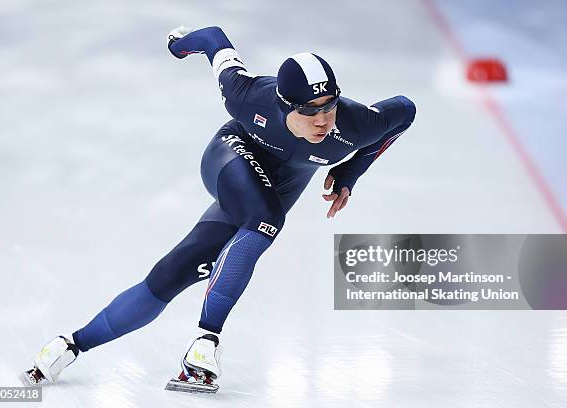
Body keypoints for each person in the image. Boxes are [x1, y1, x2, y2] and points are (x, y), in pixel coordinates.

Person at [23, 25, 416, 393]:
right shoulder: (246, 96)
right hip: (231, 159)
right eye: (309, 110)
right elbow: (213, 39)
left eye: (328, 106)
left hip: (278, 186)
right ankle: (205, 340)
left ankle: (69, 346)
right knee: (265, 219)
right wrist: (179, 46)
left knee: (176, 271)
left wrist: (350, 172)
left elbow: (404, 110)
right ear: (283, 104)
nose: (322, 119)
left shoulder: (357, 124)